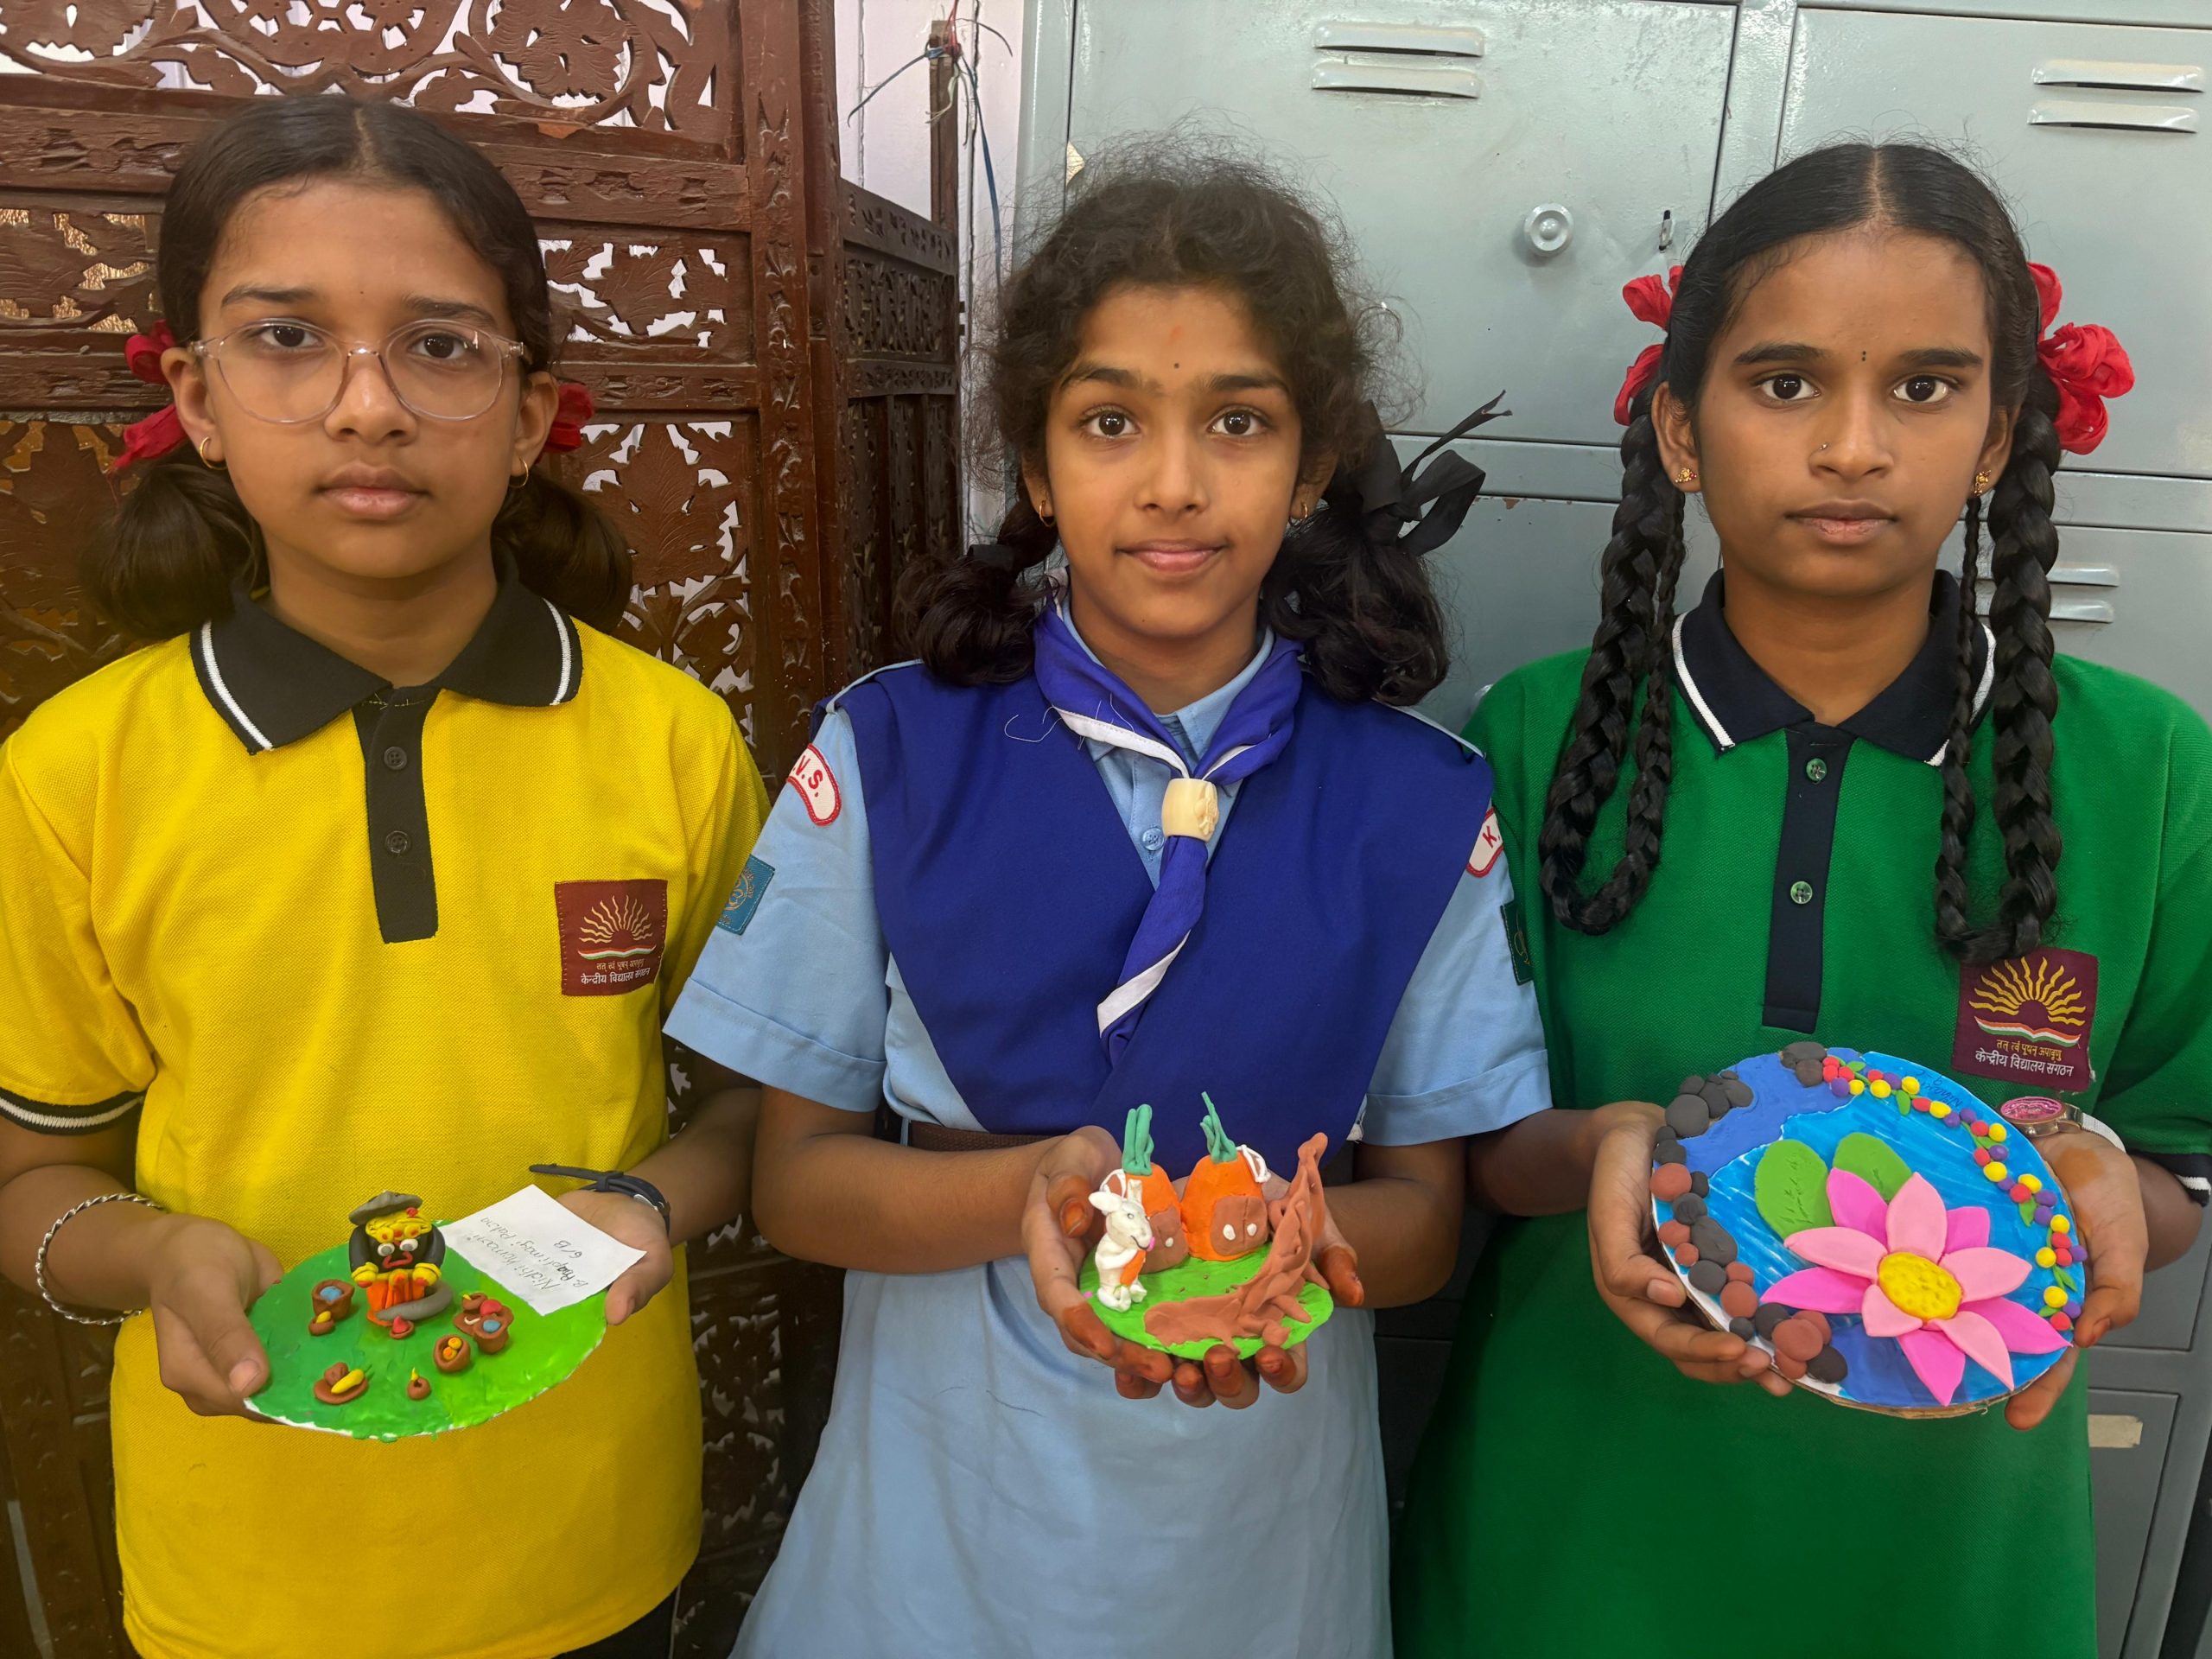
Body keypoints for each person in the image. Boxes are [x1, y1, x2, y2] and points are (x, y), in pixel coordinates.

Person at [666, 147, 1554, 1656]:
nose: (1174, 483)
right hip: (941, 1518)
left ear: (1315, 468)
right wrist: (1021, 1196)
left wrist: (1269, 1254)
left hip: (1260, 1522)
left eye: (1240, 422)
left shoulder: (1422, 801)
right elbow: (798, 1185)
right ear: (1034, 466)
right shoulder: (887, 752)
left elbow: (1421, 1224)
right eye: (1108, 422)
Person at [1395, 141, 2210, 1659]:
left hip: (1955, 1568)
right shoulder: (1531, 739)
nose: (1852, 446)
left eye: (1924, 387)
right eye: (1784, 383)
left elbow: (2175, 1168)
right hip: (1574, 1539)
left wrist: (2109, 1187)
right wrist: (1609, 1147)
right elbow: (1469, 1147)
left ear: (1997, 435)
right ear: (1681, 429)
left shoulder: (2149, 770)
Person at [0, 96, 766, 1659]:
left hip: (592, 1537)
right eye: (288, 340)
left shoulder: (673, 744)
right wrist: (153, 1252)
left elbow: (765, 1113)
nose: (368, 407)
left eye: (439, 345)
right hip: (245, 1574)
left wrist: (652, 1201)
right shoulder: (78, 774)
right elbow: (29, 1179)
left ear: (531, 413)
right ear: (197, 396)